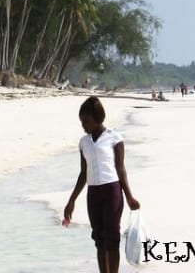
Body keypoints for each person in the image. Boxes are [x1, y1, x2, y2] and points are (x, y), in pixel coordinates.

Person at [63, 96, 140, 273]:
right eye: (81, 121)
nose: (83, 125)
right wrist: (72, 199)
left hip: (112, 191)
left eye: (86, 121)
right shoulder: (84, 142)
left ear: (97, 118)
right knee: (99, 240)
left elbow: (121, 170)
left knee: (112, 239)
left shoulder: (114, 138)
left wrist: (129, 196)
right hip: (93, 194)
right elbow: (83, 173)